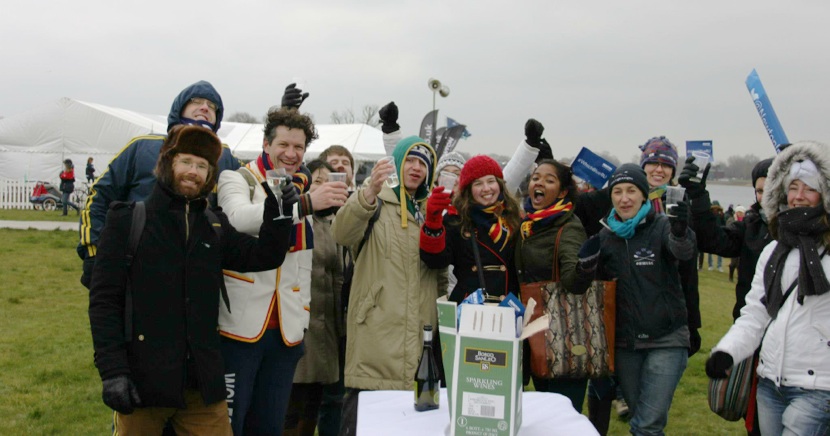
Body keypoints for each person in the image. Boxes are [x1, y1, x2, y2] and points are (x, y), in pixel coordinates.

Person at [88, 125, 295, 434]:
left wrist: (278, 212)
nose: (193, 172)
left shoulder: (213, 225)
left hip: (202, 383)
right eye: (185, 162)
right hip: (142, 381)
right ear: (167, 163)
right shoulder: (128, 220)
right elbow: (104, 301)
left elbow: (263, 257)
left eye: (202, 166)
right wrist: (113, 372)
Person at [217, 107, 348, 436]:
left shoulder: (300, 186)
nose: (291, 154)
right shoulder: (238, 178)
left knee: (270, 425)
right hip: (240, 327)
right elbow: (237, 218)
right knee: (230, 425)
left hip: (286, 331)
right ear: (265, 144)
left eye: (299, 147)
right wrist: (303, 204)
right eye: (283, 145)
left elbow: (304, 262)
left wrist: (302, 317)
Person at [705, 141, 830, 435]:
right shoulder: (774, 249)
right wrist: (727, 352)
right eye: (793, 186)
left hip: (819, 388)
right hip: (770, 382)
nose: (799, 196)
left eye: (809, 188)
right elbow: (756, 314)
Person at [78, 80, 242, 289]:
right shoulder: (142, 147)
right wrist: (94, 252)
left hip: (192, 274)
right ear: (179, 108)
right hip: (135, 266)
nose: (204, 108)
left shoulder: (225, 158)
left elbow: (259, 183)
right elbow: (99, 196)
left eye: (212, 106)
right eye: (196, 101)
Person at [331, 135, 442, 436]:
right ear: (397, 164)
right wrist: (367, 193)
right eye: (410, 160)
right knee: (364, 424)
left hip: (421, 340)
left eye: (423, 163)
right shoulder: (375, 203)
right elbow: (341, 233)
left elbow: (440, 275)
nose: (417, 168)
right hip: (375, 341)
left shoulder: (432, 214)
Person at [575, 163, 695, 435]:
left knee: (647, 424)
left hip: (666, 340)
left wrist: (680, 230)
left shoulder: (663, 226)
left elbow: (683, 251)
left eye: (631, 190)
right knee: (641, 419)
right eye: (617, 191)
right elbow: (589, 289)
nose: (624, 198)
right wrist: (585, 266)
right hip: (626, 345)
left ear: (644, 195)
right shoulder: (605, 236)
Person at [514, 159, 588, 411]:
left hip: (563, 334)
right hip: (534, 331)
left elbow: (573, 279)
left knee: (561, 415)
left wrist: (584, 268)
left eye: (549, 180)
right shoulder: (529, 225)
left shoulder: (568, 227)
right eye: (536, 177)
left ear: (563, 192)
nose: (539, 183)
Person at [283, 160, 345, 436]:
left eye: (327, 180)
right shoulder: (299, 219)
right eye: (317, 180)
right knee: (290, 409)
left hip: (325, 329)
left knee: (312, 408)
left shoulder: (332, 222)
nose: (324, 186)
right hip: (299, 326)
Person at [420, 154, 522, 303]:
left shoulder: (514, 218)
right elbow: (436, 261)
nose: (486, 188)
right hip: (470, 311)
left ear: (499, 184)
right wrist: (433, 222)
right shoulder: (456, 220)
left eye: (491, 181)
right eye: (478, 183)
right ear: (468, 190)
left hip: (508, 309)